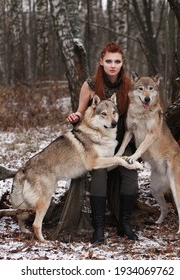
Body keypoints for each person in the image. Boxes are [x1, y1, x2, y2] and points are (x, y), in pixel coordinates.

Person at [67, 42, 138, 244]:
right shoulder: (90, 85)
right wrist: (75, 116)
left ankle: (124, 223)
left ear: (122, 62)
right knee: (98, 176)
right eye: (108, 61)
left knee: (131, 176)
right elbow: (81, 112)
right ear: (101, 62)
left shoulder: (128, 85)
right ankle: (98, 228)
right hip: (98, 142)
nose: (112, 65)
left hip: (123, 141)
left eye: (117, 61)